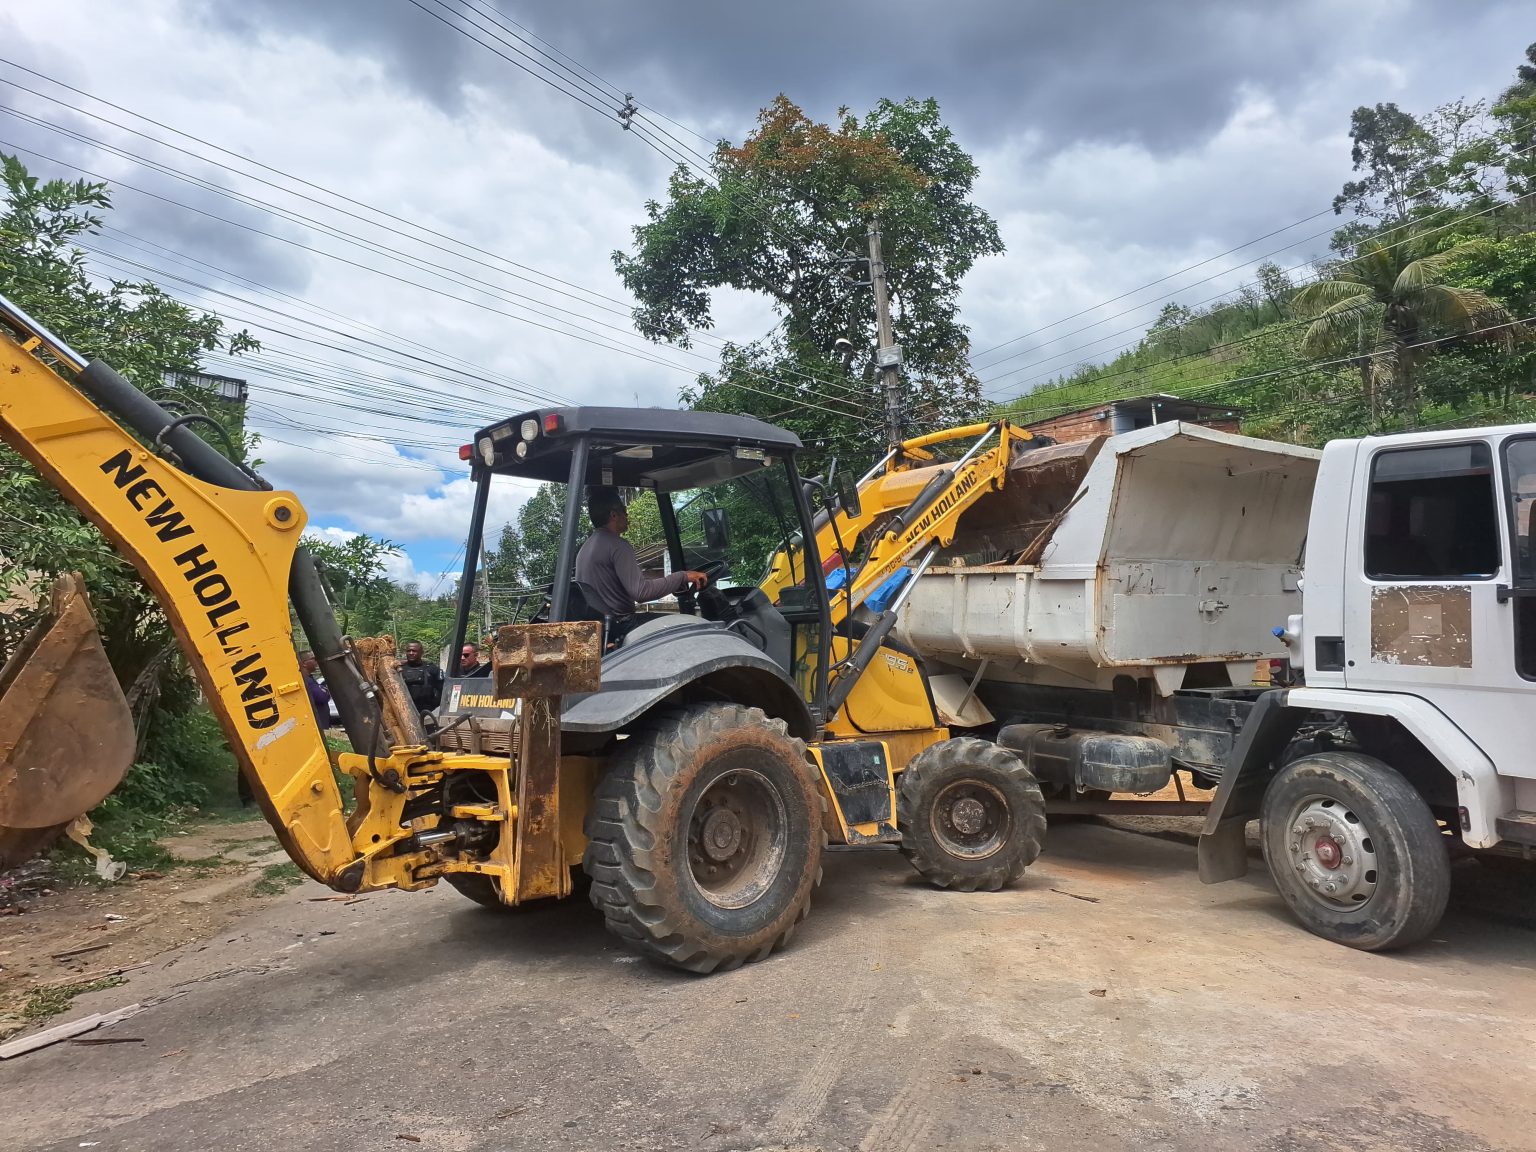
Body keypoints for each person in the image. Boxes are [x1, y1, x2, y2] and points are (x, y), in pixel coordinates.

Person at [575, 487, 707, 619]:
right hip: (621, 623)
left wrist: (669, 584)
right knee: (686, 621)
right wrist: (683, 577)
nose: (627, 515)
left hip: (603, 625)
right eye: (624, 510)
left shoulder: (584, 549)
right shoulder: (618, 545)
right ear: (614, 515)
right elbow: (641, 592)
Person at [400, 641, 444, 714]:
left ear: (421, 652)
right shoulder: (399, 670)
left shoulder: (432, 669)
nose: (411, 653)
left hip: (429, 712)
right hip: (406, 711)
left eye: (414, 651)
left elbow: (442, 691)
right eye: (408, 651)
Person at [301, 655, 332, 730]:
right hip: (318, 725)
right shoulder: (306, 681)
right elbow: (321, 697)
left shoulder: (309, 679)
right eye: (313, 659)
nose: (316, 661)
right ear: (304, 663)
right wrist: (326, 691)